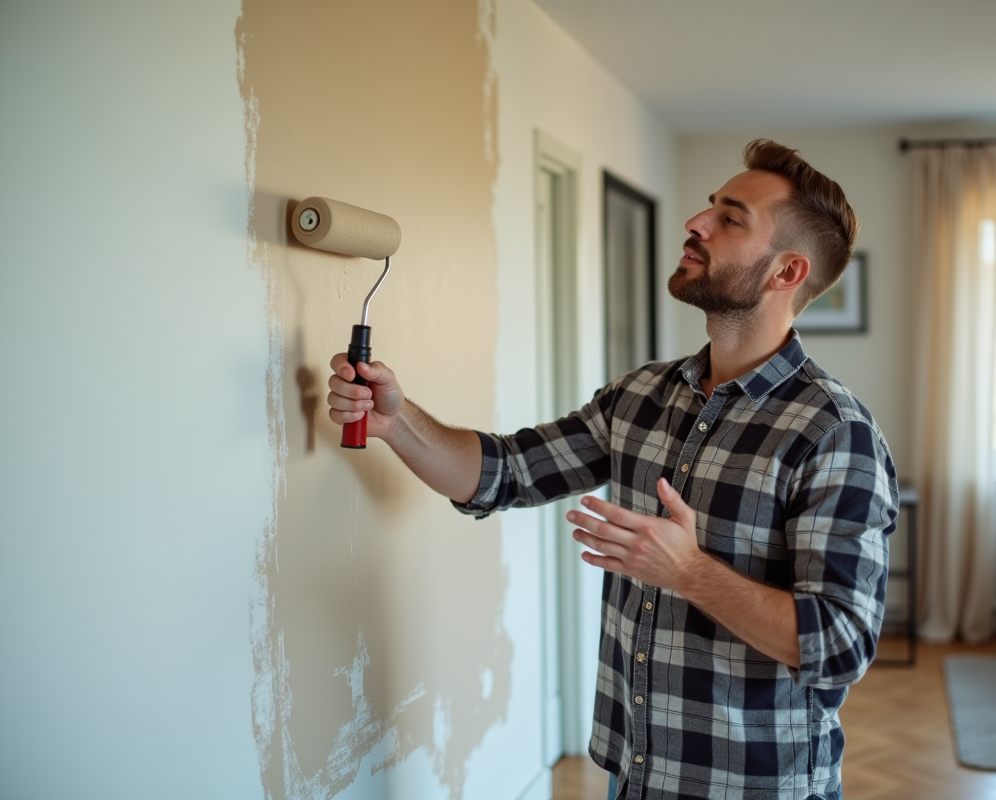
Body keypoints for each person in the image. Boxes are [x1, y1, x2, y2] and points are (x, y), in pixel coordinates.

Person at [326, 139, 898, 800]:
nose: (696, 222)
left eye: (730, 218)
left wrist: (687, 571)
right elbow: (502, 472)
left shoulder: (834, 433)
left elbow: (840, 645)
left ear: (786, 272)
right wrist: (397, 421)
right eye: (710, 206)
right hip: (635, 776)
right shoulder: (642, 396)